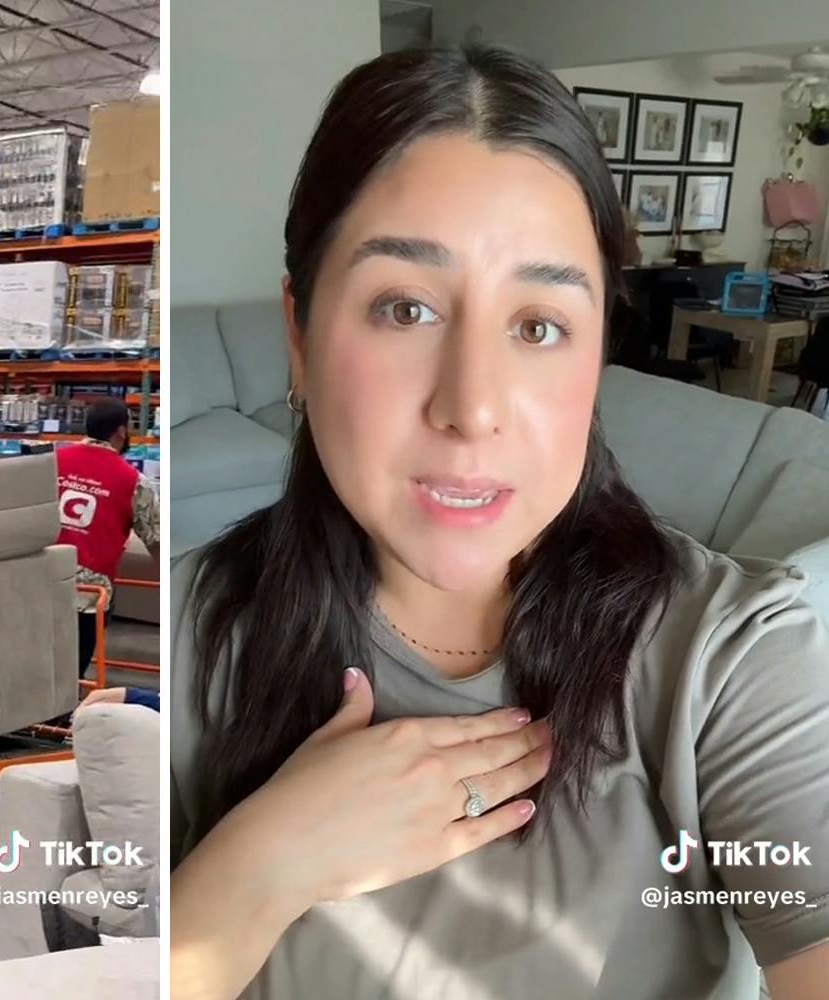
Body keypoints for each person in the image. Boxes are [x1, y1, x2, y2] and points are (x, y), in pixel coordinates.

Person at [168, 46, 829, 999]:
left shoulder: (731, 666)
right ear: (300, 338)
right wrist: (256, 869)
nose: (471, 407)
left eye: (538, 325)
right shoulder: (189, 643)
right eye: (405, 308)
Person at [55, 399, 162, 680]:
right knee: (71, 670)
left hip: (39, 583)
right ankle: (61, 717)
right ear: (121, 432)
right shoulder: (134, 482)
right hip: (88, 595)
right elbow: (157, 541)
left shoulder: (51, 462)